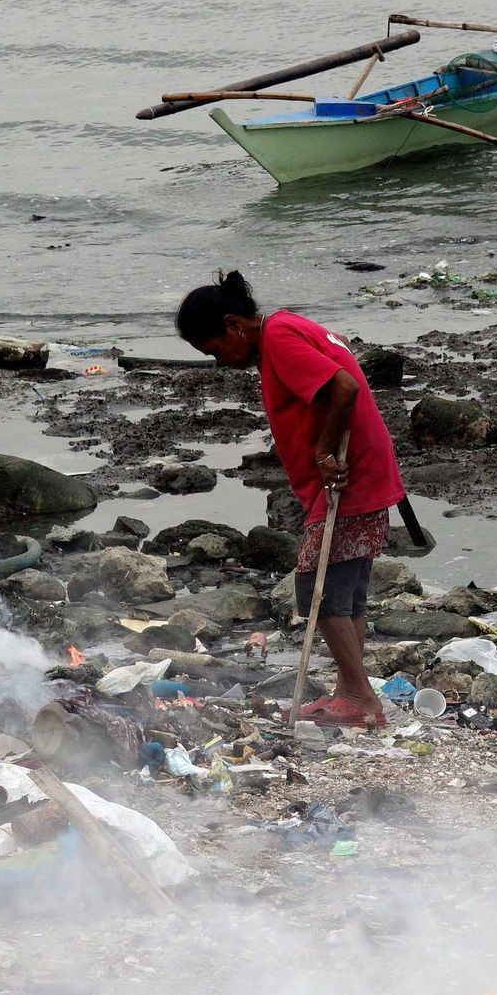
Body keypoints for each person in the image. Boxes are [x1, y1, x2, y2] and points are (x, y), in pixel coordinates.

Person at [177, 270, 406, 727]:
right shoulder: (288, 327)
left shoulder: (279, 338)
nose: (221, 361)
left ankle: (361, 698)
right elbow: (336, 355)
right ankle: (350, 691)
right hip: (364, 470)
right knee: (347, 590)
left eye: (216, 349)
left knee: (317, 592)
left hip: (348, 476)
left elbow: (344, 386)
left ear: (232, 325)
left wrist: (323, 451)